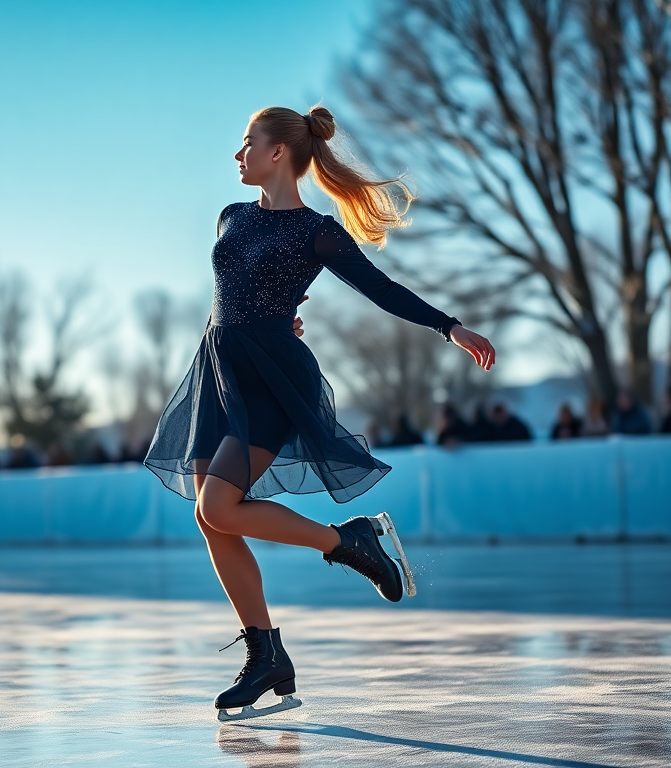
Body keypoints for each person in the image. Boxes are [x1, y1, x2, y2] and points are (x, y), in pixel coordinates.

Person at [141, 105, 495, 722]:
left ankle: (349, 541)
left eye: (247, 142)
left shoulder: (316, 231)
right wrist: (253, 325)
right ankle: (267, 656)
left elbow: (378, 287)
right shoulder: (231, 217)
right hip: (221, 372)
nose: (238, 153)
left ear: (278, 152)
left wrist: (451, 328)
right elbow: (234, 294)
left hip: (276, 381)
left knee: (216, 506)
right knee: (213, 522)